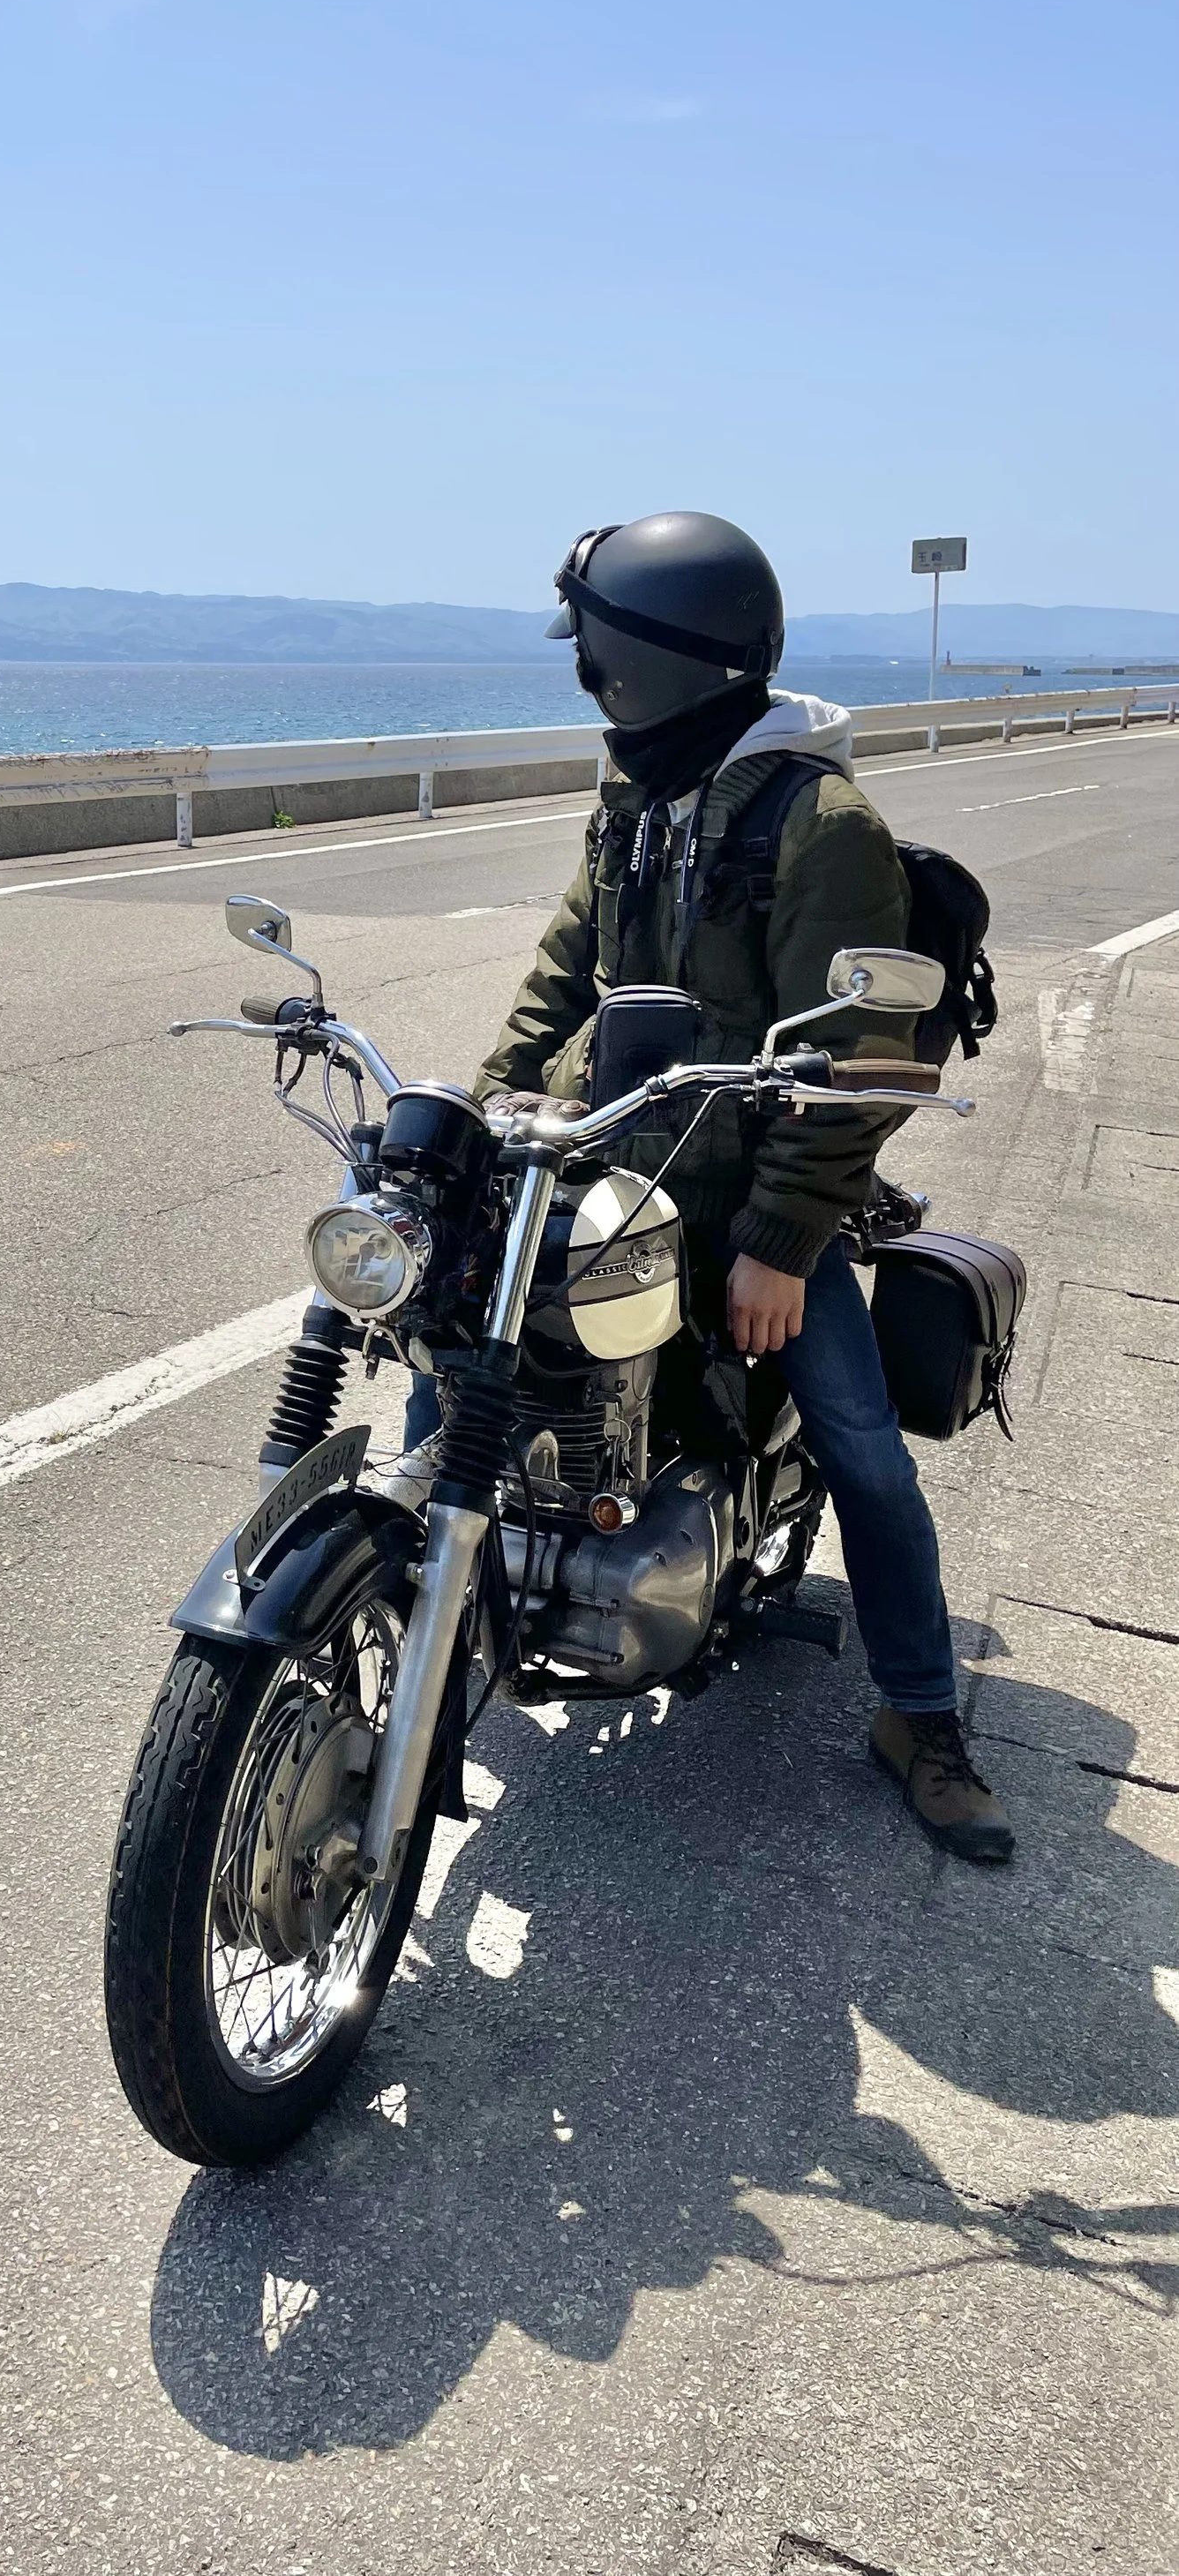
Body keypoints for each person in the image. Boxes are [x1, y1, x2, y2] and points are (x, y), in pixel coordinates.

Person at [469, 509, 1010, 1862]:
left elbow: (864, 1055)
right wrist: (491, 1106)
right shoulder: (635, 796)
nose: (586, 675)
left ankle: (922, 1716)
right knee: (459, 1365)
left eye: (596, 651)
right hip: (617, 1166)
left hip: (763, 1192)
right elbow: (565, 970)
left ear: (648, 662)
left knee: (864, 1447)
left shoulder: (821, 823)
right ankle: (450, 1605)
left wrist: (780, 1240)